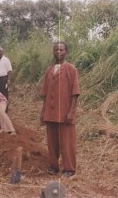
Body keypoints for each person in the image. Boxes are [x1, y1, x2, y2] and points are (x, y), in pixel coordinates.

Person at [40, 42, 80, 178]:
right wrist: (43, 111)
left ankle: (69, 168)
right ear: (53, 52)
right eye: (56, 49)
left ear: (66, 52)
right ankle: (54, 166)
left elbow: (75, 93)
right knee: (52, 140)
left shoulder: (71, 69)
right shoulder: (49, 70)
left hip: (64, 112)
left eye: (61, 49)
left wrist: (71, 112)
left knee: (67, 141)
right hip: (50, 112)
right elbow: (45, 93)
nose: (58, 51)